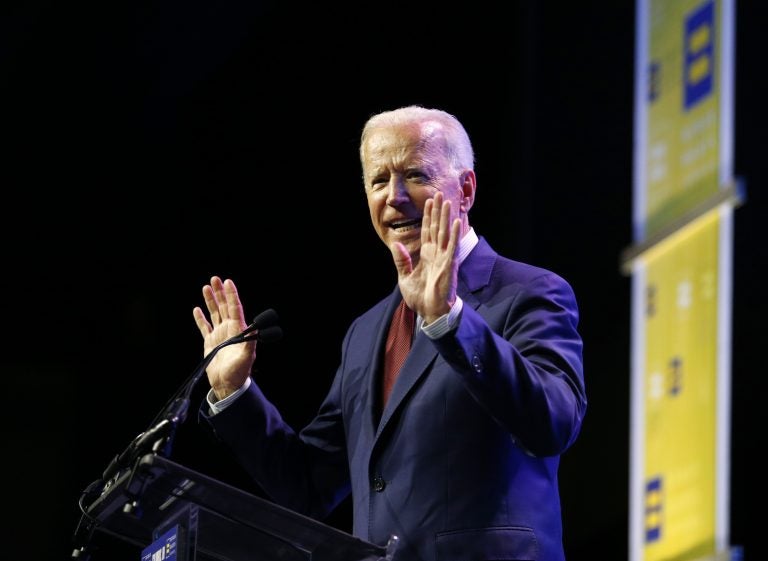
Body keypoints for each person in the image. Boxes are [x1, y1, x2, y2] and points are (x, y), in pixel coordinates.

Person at [192, 105, 586, 561]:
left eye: (415, 175)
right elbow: (307, 487)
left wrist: (449, 320)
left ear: (466, 189)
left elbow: (553, 423)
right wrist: (234, 391)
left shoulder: (529, 291)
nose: (395, 197)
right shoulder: (365, 333)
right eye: (379, 181)